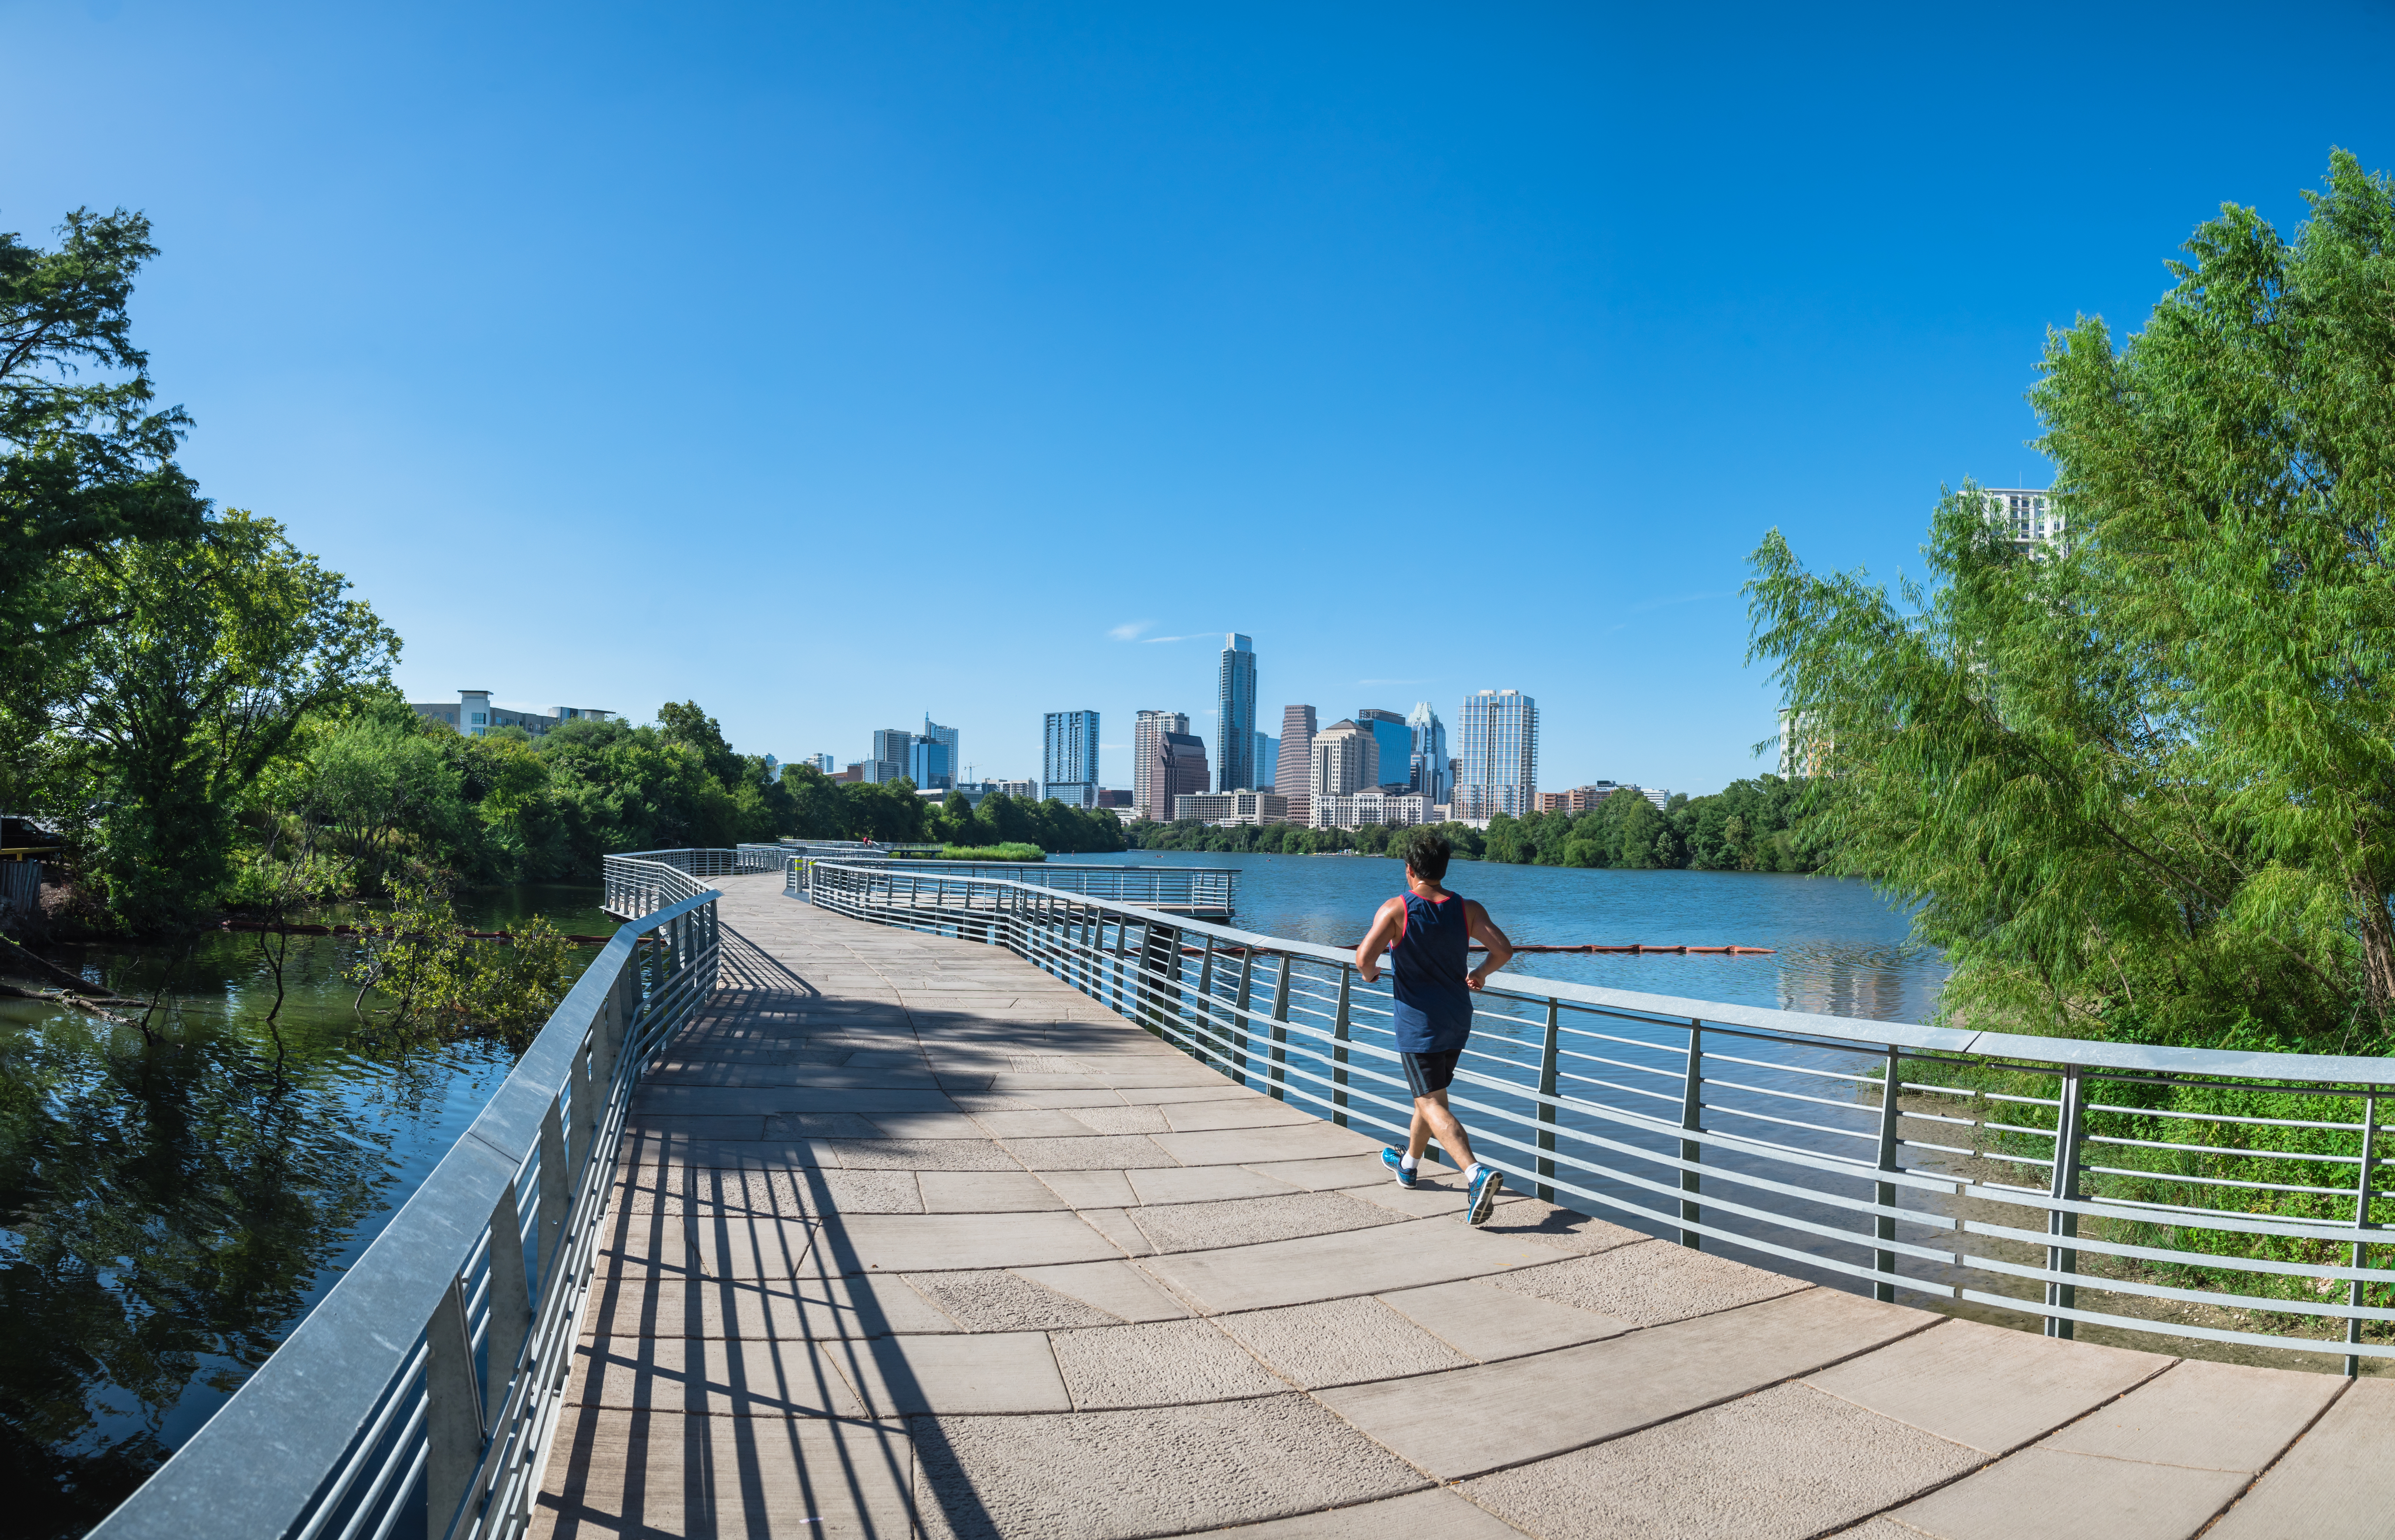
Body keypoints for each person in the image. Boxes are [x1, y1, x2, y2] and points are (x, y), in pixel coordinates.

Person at [1354, 830, 1516, 1225]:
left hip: (1418, 1024)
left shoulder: (1397, 909)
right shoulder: (1468, 909)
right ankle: (1408, 1165)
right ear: (1444, 869)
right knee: (1429, 1097)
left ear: (1409, 870)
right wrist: (1478, 973)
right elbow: (1504, 951)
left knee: (1430, 1102)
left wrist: (1373, 975)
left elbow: (1363, 959)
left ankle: (1475, 1175)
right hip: (1457, 1020)